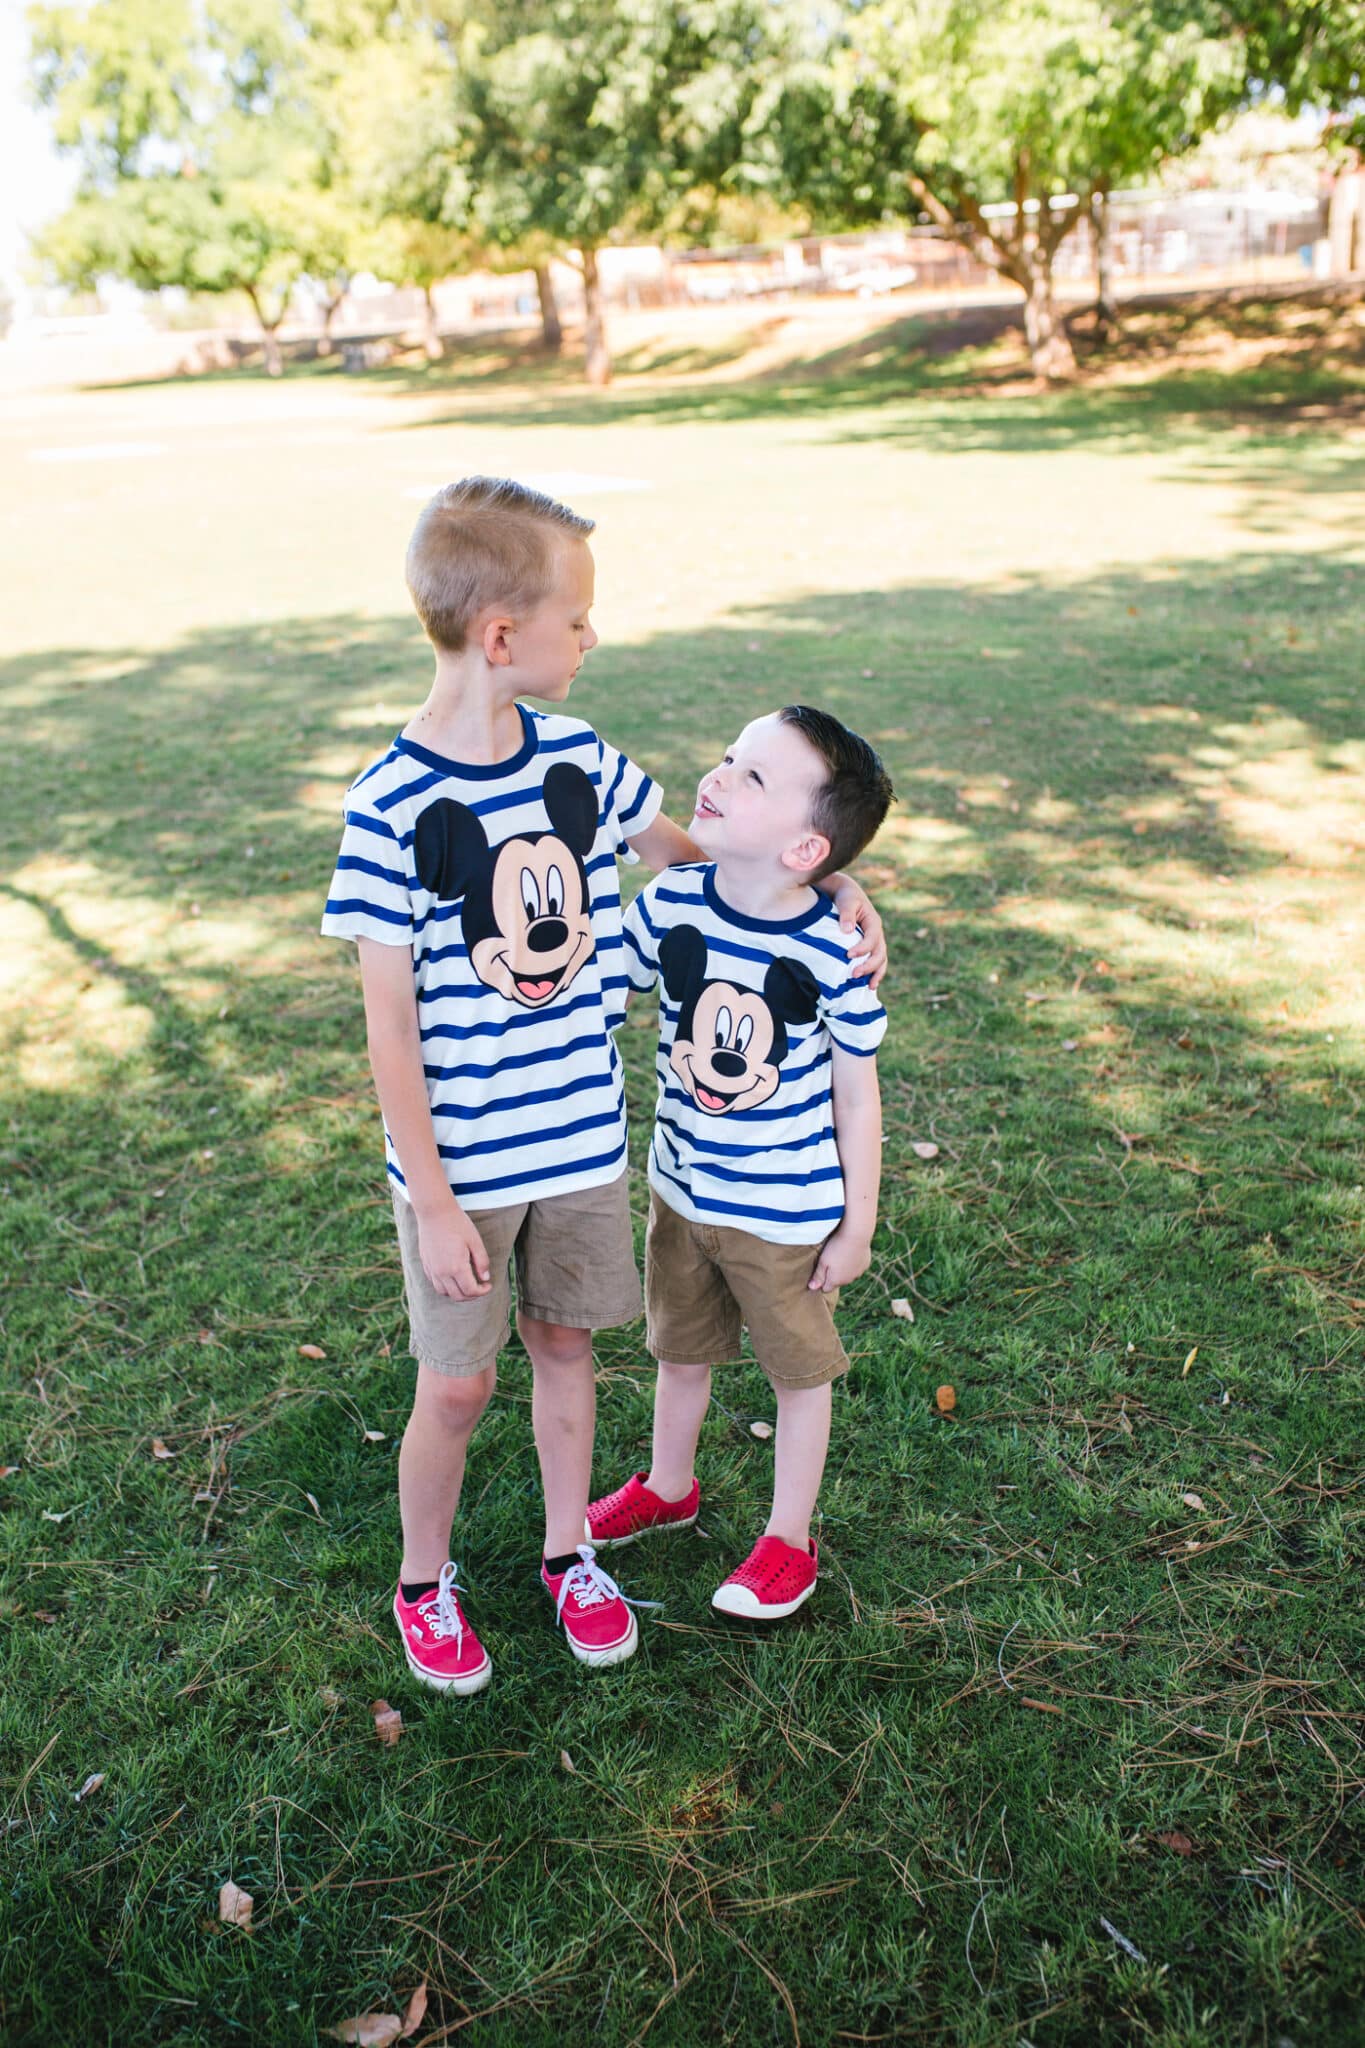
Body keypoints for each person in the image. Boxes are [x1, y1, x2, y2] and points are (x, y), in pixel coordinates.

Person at [321, 478, 885, 1693]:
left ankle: (567, 1549)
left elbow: (706, 867)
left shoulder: (582, 758)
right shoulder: (390, 805)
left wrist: (828, 884)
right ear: (503, 636)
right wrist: (428, 1195)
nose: (594, 636)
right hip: (461, 1168)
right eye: (579, 614)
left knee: (567, 1348)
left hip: (578, 1145)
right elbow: (388, 1027)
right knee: (461, 1380)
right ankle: (426, 1579)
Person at [586, 705, 893, 1620]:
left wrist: (859, 1222)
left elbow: (855, 1093)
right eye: (727, 758)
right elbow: (606, 980)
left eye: (751, 776)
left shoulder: (830, 948)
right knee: (679, 1351)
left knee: (796, 1376)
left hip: (785, 1214)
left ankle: (786, 1541)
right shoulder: (673, 901)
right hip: (680, 1189)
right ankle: (668, 1487)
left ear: (807, 850)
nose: (716, 777)